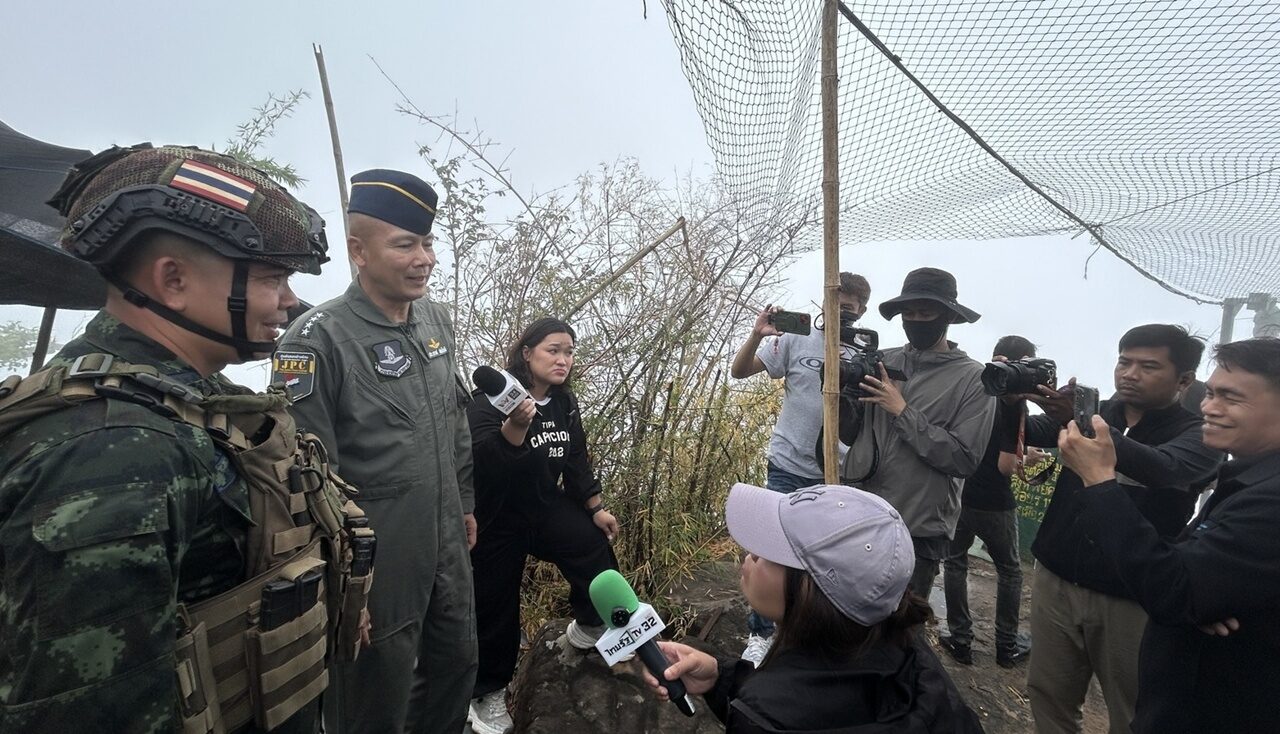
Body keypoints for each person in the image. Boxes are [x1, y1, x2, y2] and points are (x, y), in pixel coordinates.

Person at [0, 144, 366, 732]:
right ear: (172, 280)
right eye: (272, 276)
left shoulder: (198, 401)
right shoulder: (114, 452)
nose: (291, 300)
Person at [274, 169, 477, 734]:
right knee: (373, 695)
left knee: (456, 664)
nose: (424, 259)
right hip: (374, 557)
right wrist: (342, 583)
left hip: (444, 540)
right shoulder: (317, 342)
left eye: (428, 242)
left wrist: (464, 501)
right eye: (406, 244)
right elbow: (307, 478)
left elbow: (453, 417)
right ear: (358, 251)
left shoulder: (435, 319)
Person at [1057, 337, 1280, 734]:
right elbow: (1189, 586)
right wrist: (1202, 591)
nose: (1210, 407)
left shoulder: (1268, 499)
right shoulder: (1251, 479)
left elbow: (1174, 590)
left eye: (1230, 397)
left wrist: (1099, 479)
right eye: (1210, 394)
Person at [643, 483, 984, 733]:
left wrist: (751, 710)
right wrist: (722, 679)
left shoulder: (766, 718)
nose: (751, 553)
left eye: (770, 550)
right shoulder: (909, 653)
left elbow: (779, 714)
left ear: (812, 593)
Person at [1021, 324, 1222, 734]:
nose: (1129, 373)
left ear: (1184, 380)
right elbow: (1028, 434)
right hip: (1057, 579)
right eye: (1124, 361)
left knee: (1132, 709)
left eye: (1148, 366)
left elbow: (1162, 468)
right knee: (1047, 693)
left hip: (1130, 597)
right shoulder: (1100, 411)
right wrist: (1014, 400)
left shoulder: (1199, 434)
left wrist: (1080, 420)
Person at [465, 317, 623, 734]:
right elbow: (486, 466)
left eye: (569, 351)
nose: (563, 359)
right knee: (495, 603)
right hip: (495, 516)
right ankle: (487, 694)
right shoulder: (486, 403)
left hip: (543, 505)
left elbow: (575, 459)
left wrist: (594, 506)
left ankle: (591, 625)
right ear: (527, 353)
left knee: (591, 542)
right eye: (553, 349)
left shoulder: (564, 404)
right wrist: (517, 423)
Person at [729, 271, 871, 663]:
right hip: (788, 464)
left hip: (835, 473)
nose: (840, 313)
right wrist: (758, 334)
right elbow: (740, 371)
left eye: (849, 309)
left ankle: (802, 634)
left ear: (860, 312)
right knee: (770, 549)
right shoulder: (796, 338)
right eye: (835, 304)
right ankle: (760, 635)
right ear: (823, 302)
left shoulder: (863, 351)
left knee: (820, 558)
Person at [839, 267, 996, 600]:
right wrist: (842, 398)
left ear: (948, 316)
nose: (915, 319)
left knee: (897, 631)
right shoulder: (882, 360)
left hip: (916, 529)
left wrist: (902, 411)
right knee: (844, 615)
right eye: (908, 313)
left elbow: (963, 458)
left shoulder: (973, 379)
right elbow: (853, 436)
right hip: (859, 515)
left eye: (926, 312)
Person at [939, 336, 1039, 668]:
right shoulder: (1013, 402)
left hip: (962, 495)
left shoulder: (976, 389)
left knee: (954, 563)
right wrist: (1030, 458)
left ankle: (961, 640)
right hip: (996, 503)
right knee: (1010, 571)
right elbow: (1006, 466)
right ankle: (1006, 647)